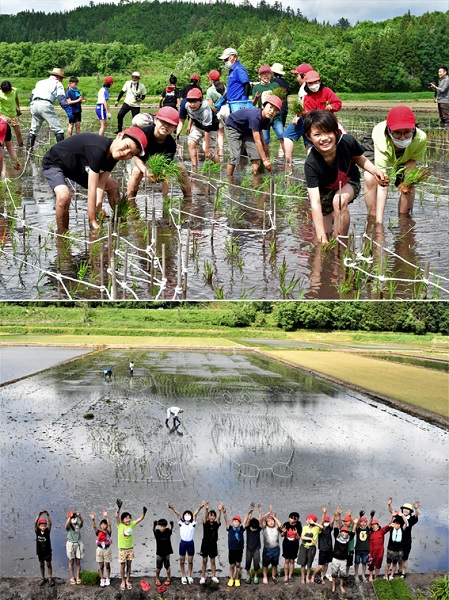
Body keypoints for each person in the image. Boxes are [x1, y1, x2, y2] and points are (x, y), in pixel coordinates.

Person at [304, 110, 388, 243]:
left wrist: (374, 171)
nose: (324, 138)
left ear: (336, 132)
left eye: (328, 132)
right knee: (324, 234)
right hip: (324, 191)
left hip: (349, 181)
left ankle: (342, 243)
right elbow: (315, 202)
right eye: (317, 134)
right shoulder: (311, 163)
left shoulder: (347, 142)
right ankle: (331, 244)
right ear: (309, 137)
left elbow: (358, 158)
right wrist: (322, 238)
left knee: (339, 201)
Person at [42, 126, 147, 232]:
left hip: (76, 167)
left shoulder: (113, 155)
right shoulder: (98, 149)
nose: (125, 153)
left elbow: (101, 183)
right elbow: (92, 188)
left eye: (131, 154)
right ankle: (62, 235)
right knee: (64, 196)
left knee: (112, 185)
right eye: (127, 146)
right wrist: (92, 220)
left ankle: (120, 220)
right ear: (120, 136)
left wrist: (99, 206)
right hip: (55, 162)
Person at [363, 106, 428, 223]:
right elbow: (382, 183)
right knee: (370, 178)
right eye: (397, 133)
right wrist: (379, 223)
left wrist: (406, 182)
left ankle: (404, 219)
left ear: (413, 129)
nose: (403, 138)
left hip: (405, 155)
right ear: (389, 130)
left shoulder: (420, 138)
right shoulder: (381, 139)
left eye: (407, 133)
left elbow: (411, 161)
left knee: (409, 184)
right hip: (374, 145)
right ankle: (372, 216)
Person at [127, 107, 192, 204]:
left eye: (170, 124)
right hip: (141, 158)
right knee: (137, 172)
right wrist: (147, 172)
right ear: (155, 120)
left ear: (175, 128)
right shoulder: (144, 134)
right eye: (163, 121)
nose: (166, 126)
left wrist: (165, 198)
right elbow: (137, 158)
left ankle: (188, 198)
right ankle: (130, 200)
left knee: (181, 169)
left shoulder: (171, 144)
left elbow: (166, 170)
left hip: (161, 161)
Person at [225, 94, 282, 176]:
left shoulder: (267, 118)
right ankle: (229, 180)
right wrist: (265, 160)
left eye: (275, 110)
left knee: (256, 156)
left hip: (247, 130)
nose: (272, 111)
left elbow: (260, 131)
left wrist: (265, 147)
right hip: (233, 126)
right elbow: (257, 141)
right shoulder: (255, 117)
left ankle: (255, 179)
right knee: (235, 156)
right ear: (263, 106)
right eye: (270, 107)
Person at [28, 68, 72, 150]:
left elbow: (31, 96)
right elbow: (61, 99)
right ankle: (61, 151)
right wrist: (68, 111)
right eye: (62, 78)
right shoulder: (57, 83)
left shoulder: (40, 82)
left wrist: (32, 110)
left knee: (33, 130)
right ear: (59, 77)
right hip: (45, 105)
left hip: (34, 104)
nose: (62, 80)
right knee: (58, 130)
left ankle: (29, 151)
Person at [284, 63, 314, 171]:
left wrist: (297, 116)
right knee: (309, 142)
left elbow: (303, 104)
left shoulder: (304, 88)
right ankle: (311, 167)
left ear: (303, 75)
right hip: (313, 118)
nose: (296, 78)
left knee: (287, 135)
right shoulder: (312, 86)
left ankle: (288, 163)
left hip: (304, 117)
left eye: (297, 75)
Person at [167, 501, 205, 584]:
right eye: (186, 515)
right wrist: (171, 507)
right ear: (184, 516)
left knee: (190, 561)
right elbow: (178, 514)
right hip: (183, 543)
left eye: (189, 515)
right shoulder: (181, 523)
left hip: (190, 544)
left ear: (190, 517)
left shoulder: (193, 524)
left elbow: (195, 514)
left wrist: (200, 506)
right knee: (182, 561)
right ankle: (183, 576)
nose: (187, 516)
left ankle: (189, 575)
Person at [252, 65, 285, 156]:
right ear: (259, 76)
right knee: (265, 140)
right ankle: (267, 159)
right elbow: (253, 104)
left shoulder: (275, 85)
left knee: (282, 136)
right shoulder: (256, 87)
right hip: (263, 117)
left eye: (268, 74)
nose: (266, 76)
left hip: (276, 116)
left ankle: (287, 159)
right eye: (263, 74)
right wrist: (256, 98)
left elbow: (281, 99)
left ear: (271, 75)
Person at [116, 499, 147, 591]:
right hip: (122, 549)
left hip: (130, 549)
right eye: (126, 518)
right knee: (122, 565)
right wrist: (118, 508)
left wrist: (143, 513)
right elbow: (116, 516)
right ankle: (122, 581)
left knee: (129, 565)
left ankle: (127, 580)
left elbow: (140, 519)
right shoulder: (120, 525)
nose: (128, 519)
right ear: (122, 520)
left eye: (129, 517)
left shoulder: (131, 524)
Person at [185, 87, 220, 169]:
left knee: (207, 152)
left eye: (195, 101)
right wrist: (189, 126)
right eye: (190, 101)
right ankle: (194, 167)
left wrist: (207, 148)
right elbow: (192, 116)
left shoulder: (206, 111)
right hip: (198, 126)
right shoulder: (187, 106)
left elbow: (207, 130)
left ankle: (219, 166)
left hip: (211, 128)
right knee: (191, 143)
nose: (192, 104)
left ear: (200, 101)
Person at [388, 498, 420, 578]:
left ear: (410, 511)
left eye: (408, 509)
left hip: (407, 541)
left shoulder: (411, 519)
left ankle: (403, 572)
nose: (406, 510)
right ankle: (399, 570)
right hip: (399, 541)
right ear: (402, 509)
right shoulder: (399, 517)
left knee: (405, 558)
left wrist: (416, 509)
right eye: (405, 509)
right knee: (399, 557)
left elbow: (416, 516)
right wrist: (389, 505)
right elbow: (392, 512)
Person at [199, 502, 222, 584]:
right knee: (204, 561)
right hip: (205, 544)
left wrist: (219, 511)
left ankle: (214, 576)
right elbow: (205, 518)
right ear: (208, 516)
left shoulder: (216, 524)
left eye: (213, 516)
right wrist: (206, 509)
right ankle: (203, 577)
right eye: (210, 515)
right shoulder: (205, 524)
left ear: (214, 517)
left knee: (213, 561)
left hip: (213, 545)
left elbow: (219, 520)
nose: (211, 517)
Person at [206, 70, 226, 159]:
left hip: (219, 112)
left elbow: (209, 105)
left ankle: (220, 154)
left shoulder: (210, 90)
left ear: (210, 79)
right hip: (228, 110)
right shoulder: (224, 86)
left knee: (220, 134)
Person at [223, 506, 245, 587]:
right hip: (232, 549)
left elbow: (246, 521)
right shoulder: (230, 528)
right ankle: (231, 578)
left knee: (238, 564)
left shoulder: (241, 529)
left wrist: (249, 513)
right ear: (232, 522)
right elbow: (226, 521)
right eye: (234, 521)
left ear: (239, 523)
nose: (236, 523)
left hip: (239, 549)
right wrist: (224, 513)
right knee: (232, 565)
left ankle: (237, 578)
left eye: (237, 521)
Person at [298, 513, 322, 584]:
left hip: (312, 548)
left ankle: (307, 577)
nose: (306, 520)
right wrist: (311, 538)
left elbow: (322, 527)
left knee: (309, 563)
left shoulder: (316, 528)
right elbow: (302, 537)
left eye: (308, 519)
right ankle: (303, 577)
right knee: (303, 564)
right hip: (304, 547)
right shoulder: (305, 527)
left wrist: (314, 523)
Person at [331, 524, 355, 594]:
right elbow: (335, 528)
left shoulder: (348, 539)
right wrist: (337, 516)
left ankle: (341, 585)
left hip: (344, 560)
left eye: (346, 532)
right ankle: (333, 585)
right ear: (340, 532)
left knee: (342, 574)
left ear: (348, 534)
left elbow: (353, 533)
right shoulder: (337, 537)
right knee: (334, 573)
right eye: (343, 532)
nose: (344, 533)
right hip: (335, 559)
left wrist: (355, 524)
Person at [261, 507, 283, 584]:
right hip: (267, 549)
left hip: (276, 549)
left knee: (274, 564)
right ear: (267, 522)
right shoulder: (264, 528)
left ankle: (274, 576)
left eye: (272, 521)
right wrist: (269, 513)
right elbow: (262, 520)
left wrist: (275, 517)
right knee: (265, 564)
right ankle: (265, 577)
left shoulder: (277, 528)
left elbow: (280, 525)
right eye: (269, 521)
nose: (271, 522)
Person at [312, 506, 334, 585]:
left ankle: (322, 576)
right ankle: (313, 576)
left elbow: (332, 522)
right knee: (320, 566)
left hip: (329, 549)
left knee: (327, 564)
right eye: (325, 521)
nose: (326, 522)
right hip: (322, 549)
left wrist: (335, 515)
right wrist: (324, 512)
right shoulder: (320, 529)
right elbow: (321, 522)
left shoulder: (329, 528)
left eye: (327, 521)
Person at [90, 510, 112, 587]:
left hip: (107, 549)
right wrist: (93, 520)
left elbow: (109, 525)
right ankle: (102, 578)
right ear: (100, 526)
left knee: (107, 565)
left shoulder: (108, 532)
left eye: (104, 524)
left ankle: (108, 578)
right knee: (101, 565)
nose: (103, 526)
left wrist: (106, 517)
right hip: (99, 550)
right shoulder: (98, 532)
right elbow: (94, 527)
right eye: (101, 524)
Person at [384, 512, 408, 580]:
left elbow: (406, 523)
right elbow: (389, 523)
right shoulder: (391, 529)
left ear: (400, 525)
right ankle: (385, 575)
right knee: (388, 564)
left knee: (394, 564)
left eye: (398, 524)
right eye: (395, 524)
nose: (396, 525)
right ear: (393, 524)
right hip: (390, 549)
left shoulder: (402, 530)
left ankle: (391, 575)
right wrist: (392, 516)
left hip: (398, 550)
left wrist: (403, 515)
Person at [243, 503, 263, 584]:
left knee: (256, 563)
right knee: (248, 562)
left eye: (255, 528)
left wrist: (260, 512)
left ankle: (255, 576)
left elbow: (260, 521)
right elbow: (245, 523)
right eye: (252, 528)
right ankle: (248, 576)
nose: (253, 529)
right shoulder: (248, 528)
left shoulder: (258, 529)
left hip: (256, 549)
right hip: (248, 549)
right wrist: (249, 512)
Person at [0, 80, 23, 147]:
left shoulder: (14, 91)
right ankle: (2, 150)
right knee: (2, 134)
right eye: (5, 91)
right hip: (3, 115)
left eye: (8, 91)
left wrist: (18, 107)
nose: (7, 92)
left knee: (18, 133)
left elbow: (16, 99)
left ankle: (21, 147)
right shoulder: (0, 93)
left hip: (13, 114)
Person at [34, 510, 54, 587]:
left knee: (48, 564)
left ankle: (49, 578)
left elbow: (50, 523)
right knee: (41, 564)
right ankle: (43, 578)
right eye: (41, 526)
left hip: (47, 551)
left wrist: (48, 515)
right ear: (39, 526)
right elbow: (35, 523)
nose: (43, 527)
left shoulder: (47, 531)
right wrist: (39, 515)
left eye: (44, 526)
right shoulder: (37, 531)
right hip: (40, 551)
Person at [281, 511, 301, 584]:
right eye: (290, 517)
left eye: (292, 518)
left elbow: (299, 538)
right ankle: (285, 575)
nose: (290, 519)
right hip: (286, 544)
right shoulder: (286, 524)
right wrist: (283, 532)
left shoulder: (299, 526)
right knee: (286, 560)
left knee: (292, 561)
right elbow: (282, 535)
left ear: (296, 519)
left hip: (294, 545)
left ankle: (290, 576)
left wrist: (296, 534)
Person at [368, 515, 389, 582]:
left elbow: (388, 527)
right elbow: (370, 544)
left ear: (378, 525)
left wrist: (392, 518)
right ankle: (371, 576)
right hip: (372, 551)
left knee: (378, 564)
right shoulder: (370, 534)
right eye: (372, 525)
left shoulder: (381, 531)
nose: (374, 526)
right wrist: (369, 552)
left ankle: (376, 576)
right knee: (371, 564)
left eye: (375, 524)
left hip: (380, 551)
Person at [153, 517, 174, 587]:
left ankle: (168, 578)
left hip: (167, 553)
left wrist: (172, 525)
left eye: (164, 526)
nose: (163, 528)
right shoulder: (157, 533)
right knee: (158, 567)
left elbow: (171, 530)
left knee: (167, 566)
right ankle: (157, 578)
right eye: (161, 526)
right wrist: (154, 525)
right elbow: (154, 531)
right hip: (159, 553)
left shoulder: (168, 531)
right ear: (159, 526)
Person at [65, 510, 84, 585]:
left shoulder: (78, 525)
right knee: (71, 561)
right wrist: (70, 517)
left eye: (74, 516)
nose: (73, 518)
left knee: (78, 561)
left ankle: (78, 576)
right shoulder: (69, 526)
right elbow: (66, 525)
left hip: (78, 543)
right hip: (70, 544)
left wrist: (79, 517)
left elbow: (82, 522)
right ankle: (72, 576)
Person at [271, 63, 291, 127]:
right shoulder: (284, 81)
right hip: (284, 106)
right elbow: (289, 91)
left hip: (277, 107)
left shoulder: (272, 81)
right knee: (282, 127)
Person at [353, 511, 371, 582]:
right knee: (357, 562)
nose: (363, 523)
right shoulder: (358, 529)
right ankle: (356, 575)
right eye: (362, 522)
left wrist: (371, 516)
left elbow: (370, 523)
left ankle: (363, 575)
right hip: (358, 548)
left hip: (365, 549)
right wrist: (360, 517)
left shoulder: (367, 529)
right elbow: (356, 524)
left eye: (364, 522)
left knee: (364, 563)